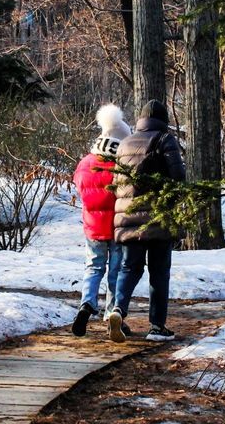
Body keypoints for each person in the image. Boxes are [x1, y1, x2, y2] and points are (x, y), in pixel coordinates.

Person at [107, 99, 185, 342]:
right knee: (159, 272)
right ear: (164, 120)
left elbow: (117, 183)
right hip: (158, 217)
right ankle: (157, 326)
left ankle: (118, 310)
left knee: (129, 268)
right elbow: (178, 178)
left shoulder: (125, 143)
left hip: (127, 218)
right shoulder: (165, 139)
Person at [70, 104, 130, 337]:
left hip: (92, 227)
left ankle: (87, 304)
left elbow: (80, 187)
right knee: (116, 271)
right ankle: (113, 316)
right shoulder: (122, 165)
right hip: (116, 227)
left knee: (93, 268)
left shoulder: (85, 163)